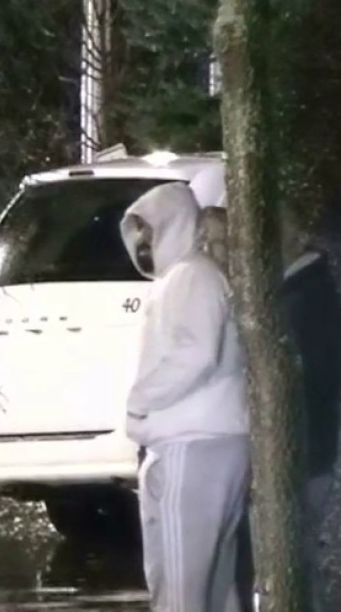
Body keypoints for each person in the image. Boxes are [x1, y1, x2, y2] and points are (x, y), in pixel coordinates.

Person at [119, 182, 251, 612]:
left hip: (190, 446)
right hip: (208, 442)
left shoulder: (191, 276)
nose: (142, 242)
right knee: (212, 587)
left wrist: (140, 400)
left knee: (180, 589)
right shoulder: (192, 276)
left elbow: (196, 354)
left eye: (148, 230)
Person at [280, 203, 341, 611]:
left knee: (302, 556)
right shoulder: (312, 292)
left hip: (308, 448)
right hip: (315, 446)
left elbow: (316, 377)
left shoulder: (304, 297)